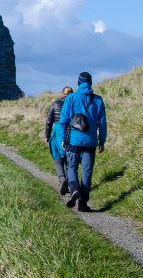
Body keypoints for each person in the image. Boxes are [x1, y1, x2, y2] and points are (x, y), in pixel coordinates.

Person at [59, 71, 107, 212]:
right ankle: (83, 203)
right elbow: (102, 123)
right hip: (90, 142)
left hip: (73, 140)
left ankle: (74, 189)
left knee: (72, 167)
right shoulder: (98, 100)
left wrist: (63, 138)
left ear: (79, 83)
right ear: (90, 83)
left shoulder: (71, 98)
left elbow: (63, 121)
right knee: (87, 172)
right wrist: (102, 141)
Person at [45, 86, 73, 195]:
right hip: (70, 130)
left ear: (62, 93)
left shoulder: (55, 103)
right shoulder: (73, 103)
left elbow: (49, 120)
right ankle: (70, 182)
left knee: (57, 156)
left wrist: (47, 135)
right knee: (68, 157)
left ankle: (62, 178)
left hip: (57, 130)